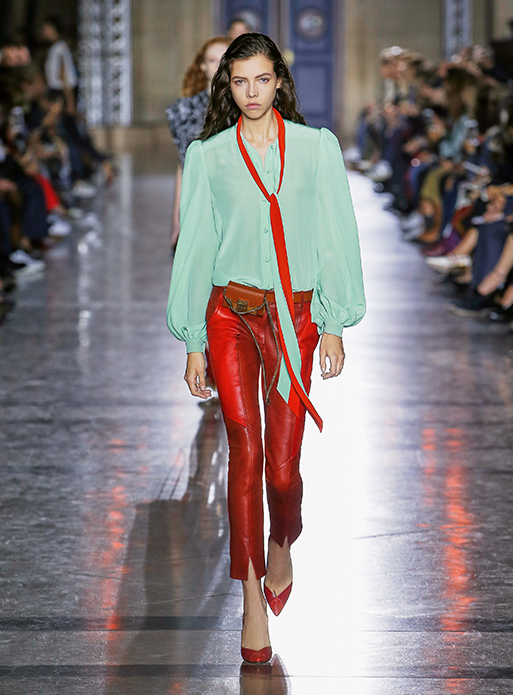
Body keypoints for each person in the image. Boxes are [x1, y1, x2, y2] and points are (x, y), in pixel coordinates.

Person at [166, 33, 365, 663]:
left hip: (295, 317)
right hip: (230, 313)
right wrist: (194, 340)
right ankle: (251, 596)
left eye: (261, 79)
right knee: (244, 450)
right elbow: (196, 247)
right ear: (227, 87)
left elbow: (336, 234)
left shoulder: (316, 148)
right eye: (239, 81)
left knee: (283, 466)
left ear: (279, 80)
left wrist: (333, 323)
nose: (251, 92)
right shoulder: (208, 156)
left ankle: (283, 542)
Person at [166, 37, 229, 250]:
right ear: (202, 66)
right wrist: (177, 217)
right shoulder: (183, 111)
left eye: (225, 59)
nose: (219, 66)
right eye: (212, 60)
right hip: (200, 201)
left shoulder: (250, 108)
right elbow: (184, 165)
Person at [40, 15, 78, 114]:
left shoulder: (60, 48)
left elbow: (64, 74)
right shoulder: (53, 48)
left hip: (60, 93)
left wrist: (70, 101)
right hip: (54, 91)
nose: (43, 31)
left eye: (46, 28)